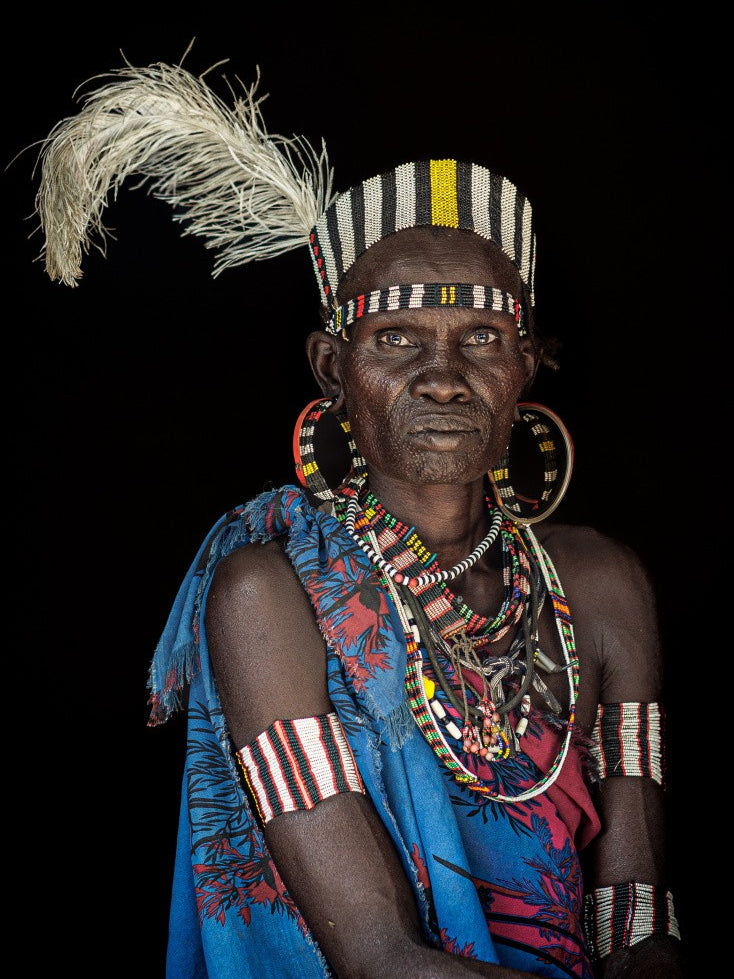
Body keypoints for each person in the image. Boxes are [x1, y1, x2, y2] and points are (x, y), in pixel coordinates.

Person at [30, 53, 685, 978]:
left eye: (484, 338)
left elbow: (640, 908)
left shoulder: (605, 585)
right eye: (395, 339)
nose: (444, 374)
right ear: (332, 369)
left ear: (529, 363)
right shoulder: (270, 595)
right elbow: (380, 958)